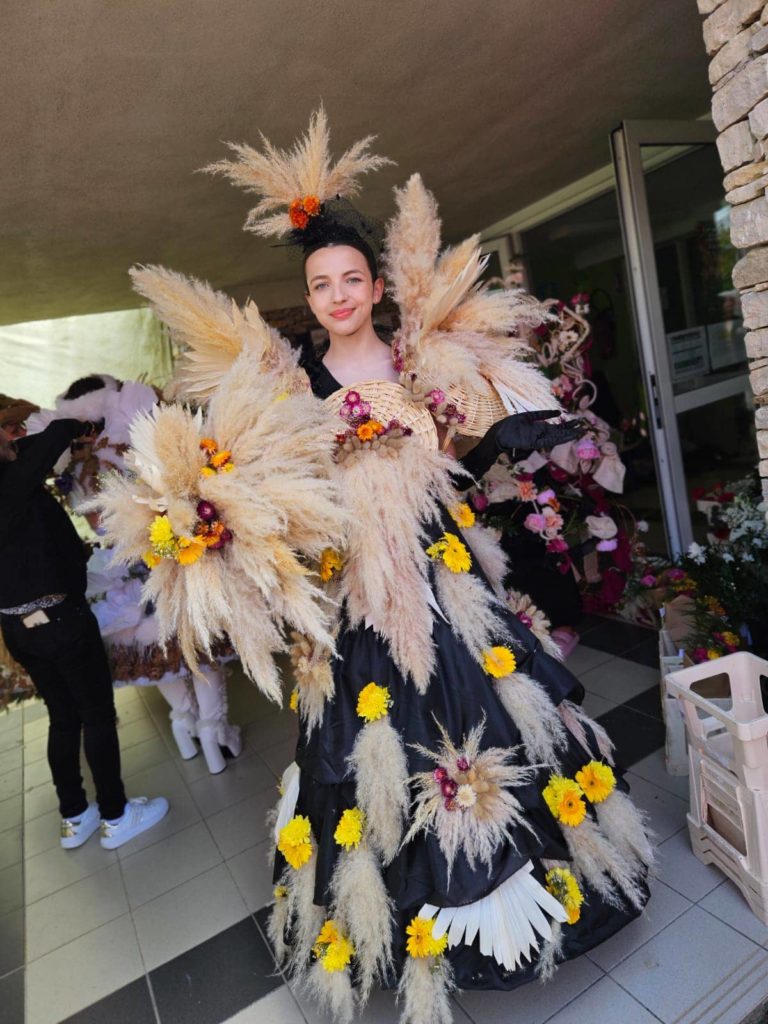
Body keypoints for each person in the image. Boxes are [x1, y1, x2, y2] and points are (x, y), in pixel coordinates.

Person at [109, 112, 652, 1024]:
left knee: (496, 723)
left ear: (373, 285)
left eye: (351, 278)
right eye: (320, 284)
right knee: (372, 754)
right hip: (358, 600)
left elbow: (449, 473)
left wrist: (507, 440)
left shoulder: (418, 362)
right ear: (309, 296)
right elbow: (283, 506)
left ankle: (534, 891)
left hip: (447, 585)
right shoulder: (289, 392)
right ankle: (389, 917)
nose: (338, 294)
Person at [27, 374, 243, 774]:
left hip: (117, 569)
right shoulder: (133, 447)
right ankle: (216, 732)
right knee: (199, 651)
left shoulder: (74, 468)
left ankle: (185, 723)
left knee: (158, 654)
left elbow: (94, 519)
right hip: (166, 558)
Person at [0, 413, 168, 850]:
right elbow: (47, 441)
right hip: (60, 621)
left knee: (63, 717)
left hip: (19, 628)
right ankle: (116, 815)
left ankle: (75, 816)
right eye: (8, 431)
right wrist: (77, 424)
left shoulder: (14, 481)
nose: (16, 438)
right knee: (96, 716)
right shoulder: (10, 483)